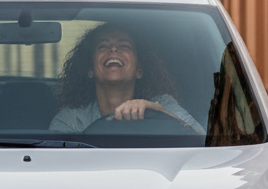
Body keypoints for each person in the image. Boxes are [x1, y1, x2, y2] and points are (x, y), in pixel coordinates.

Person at [49, 24, 202, 133]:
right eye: (103, 46)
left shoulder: (162, 104)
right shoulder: (72, 119)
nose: (114, 49)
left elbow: (200, 137)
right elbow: (57, 161)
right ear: (90, 70)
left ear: (139, 70)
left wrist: (158, 112)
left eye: (124, 46)